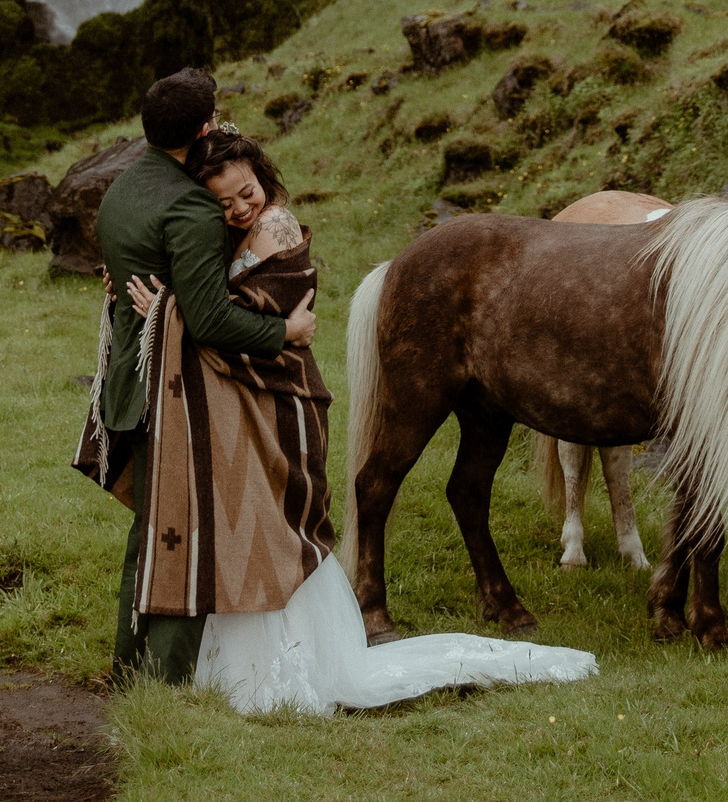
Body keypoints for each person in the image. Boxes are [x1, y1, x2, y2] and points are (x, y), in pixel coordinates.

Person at [113, 127, 598, 715]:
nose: (242, 208)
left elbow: (227, 321)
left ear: (263, 178)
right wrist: (166, 290)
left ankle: (291, 654)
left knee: (273, 516)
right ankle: (241, 654)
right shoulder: (228, 234)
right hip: (237, 403)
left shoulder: (276, 228)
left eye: (247, 192)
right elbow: (208, 298)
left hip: (276, 399)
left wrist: (173, 312)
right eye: (225, 202)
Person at [75, 68, 317, 686]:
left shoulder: (121, 188)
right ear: (205, 128)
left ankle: (130, 668)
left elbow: (133, 267)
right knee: (187, 531)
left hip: (129, 381)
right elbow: (209, 320)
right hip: (175, 388)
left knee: (150, 532)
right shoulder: (191, 205)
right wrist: (284, 333)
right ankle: (165, 680)